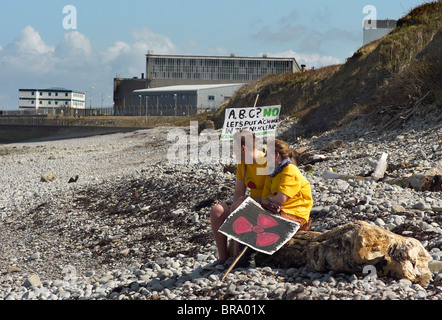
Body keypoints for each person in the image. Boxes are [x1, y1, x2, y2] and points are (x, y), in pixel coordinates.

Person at [209, 130, 267, 263]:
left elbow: (270, 194)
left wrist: (242, 204)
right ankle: (223, 258)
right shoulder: (243, 164)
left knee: (238, 207)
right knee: (217, 211)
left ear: (243, 148)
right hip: (249, 203)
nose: (233, 153)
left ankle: (236, 256)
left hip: (265, 205)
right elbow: (238, 191)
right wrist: (235, 205)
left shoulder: (264, 163)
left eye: (234, 149)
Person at [261, 139, 313, 231]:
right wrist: (272, 202)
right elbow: (263, 199)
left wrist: (271, 199)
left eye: (267, 154)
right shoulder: (272, 173)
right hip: (280, 211)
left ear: (276, 155)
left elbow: (281, 199)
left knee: (263, 223)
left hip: (296, 215)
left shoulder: (290, 170)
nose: (264, 157)